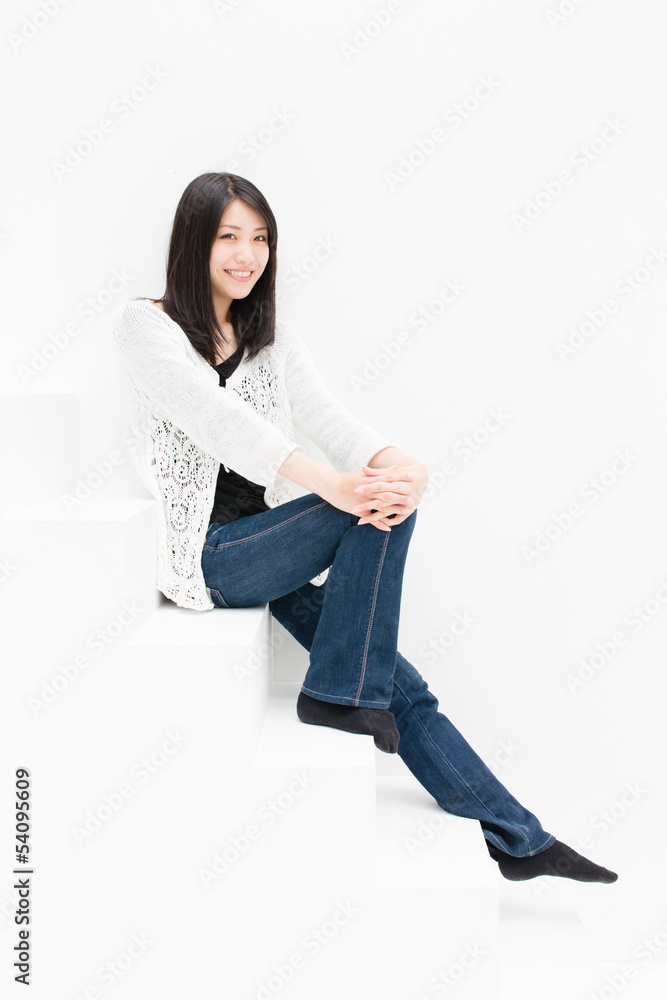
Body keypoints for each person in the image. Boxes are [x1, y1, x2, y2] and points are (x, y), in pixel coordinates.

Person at [110, 171, 618, 885]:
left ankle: (517, 838)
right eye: (228, 236)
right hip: (210, 556)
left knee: (403, 680)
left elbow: (332, 423)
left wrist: (402, 466)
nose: (245, 255)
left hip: (271, 545)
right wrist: (337, 488)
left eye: (260, 239)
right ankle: (343, 692)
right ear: (192, 240)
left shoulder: (269, 342)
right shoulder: (146, 325)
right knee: (374, 507)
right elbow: (215, 420)